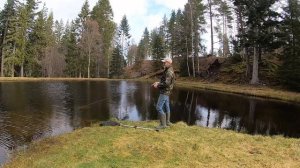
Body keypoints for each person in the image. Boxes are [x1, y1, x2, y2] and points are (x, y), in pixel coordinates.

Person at [152, 58, 175, 129]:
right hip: (166, 91)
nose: (163, 63)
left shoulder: (169, 72)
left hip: (165, 92)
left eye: (165, 62)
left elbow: (167, 83)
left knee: (158, 107)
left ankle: (163, 125)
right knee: (166, 106)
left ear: (168, 63)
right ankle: (167, 122)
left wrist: (157, 85)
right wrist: (158, 82)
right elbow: (165, 81)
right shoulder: (167, 70)